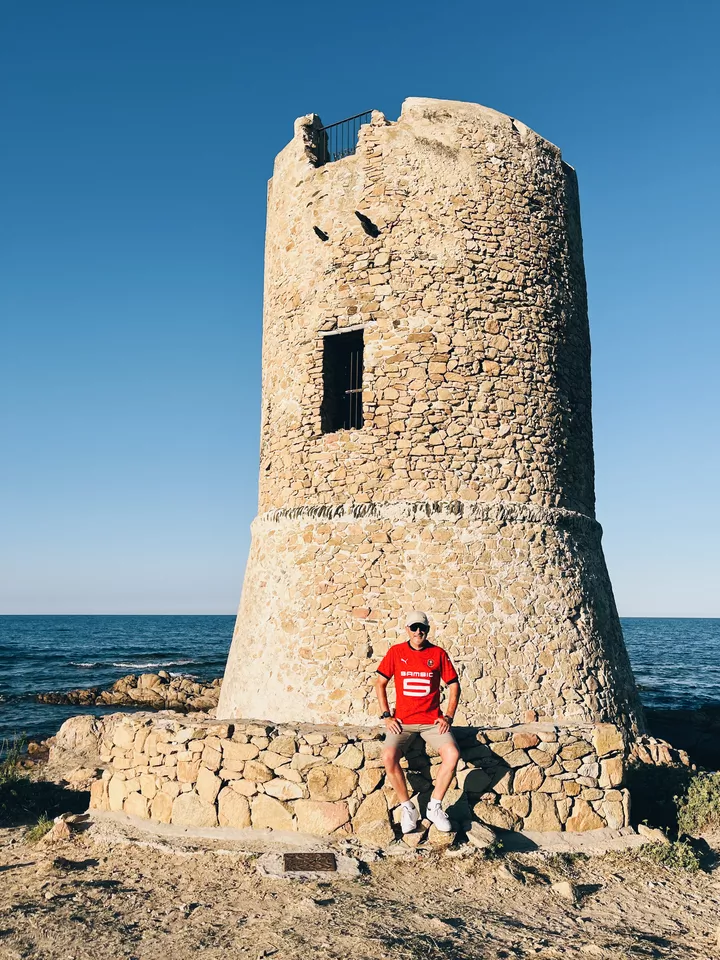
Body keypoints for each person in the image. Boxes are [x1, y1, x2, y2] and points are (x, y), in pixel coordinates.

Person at [374, 610, 461, 834]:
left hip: (432, 722)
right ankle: (408, 808)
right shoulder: (396, 652)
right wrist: (387, 716)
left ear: (427, 630)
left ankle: (434, 806)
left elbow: (454, 685)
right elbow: (380, 683)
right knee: (388, 756)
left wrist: (449, 716)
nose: (418, 631)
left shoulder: (438, 654)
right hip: (403, 722)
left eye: (422, 628)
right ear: (407, 630)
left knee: (452, 754)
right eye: (414, 627)